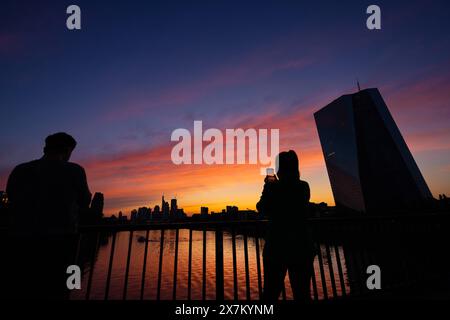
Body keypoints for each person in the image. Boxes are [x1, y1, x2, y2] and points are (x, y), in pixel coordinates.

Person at [4, 132, 92, 299]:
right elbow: (84, 201)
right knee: (66, 286)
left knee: (22, 287)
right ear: (67, 150)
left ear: (45, 148)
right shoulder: (75, 170)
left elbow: (12, 199)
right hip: (64, 240)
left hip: (21, 240)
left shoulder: (20, 170)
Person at [257, 150, 315, 301]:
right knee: (302, 294)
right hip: (302, 246)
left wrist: (268, 188)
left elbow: (262, 209)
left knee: (270, 293)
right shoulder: (303, 186)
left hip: (277, 247)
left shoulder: (274, 188)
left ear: (279, 169)